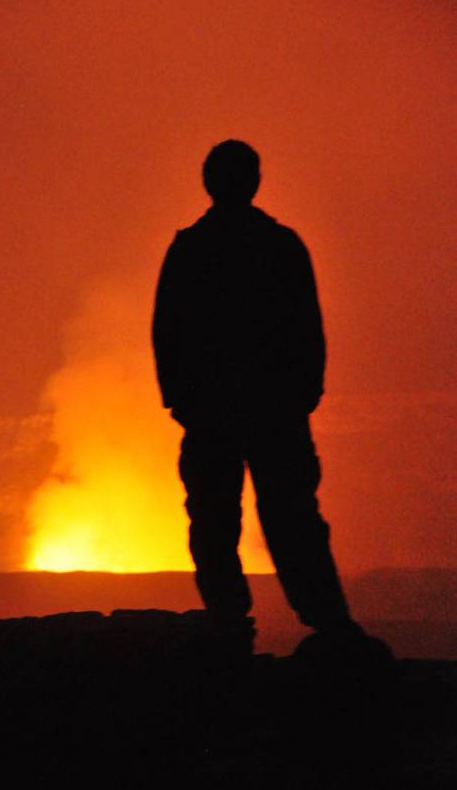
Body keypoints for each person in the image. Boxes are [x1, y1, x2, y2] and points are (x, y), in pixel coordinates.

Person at [152, 139, 365, 651]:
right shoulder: (280, 246)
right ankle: (325, 622)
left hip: (218, 414)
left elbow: (168, 331)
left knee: (215, 520)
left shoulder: (191, 249)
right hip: (270, 412)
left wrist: (182, 399)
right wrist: (302, 393)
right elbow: (306, 328)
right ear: (255, 181)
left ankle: (231, 623)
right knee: (288, 518)